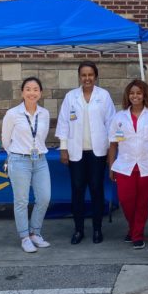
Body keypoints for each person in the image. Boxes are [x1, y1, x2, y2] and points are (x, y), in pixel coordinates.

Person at [56, 61, 116, 245]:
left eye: (90, 75)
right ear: (79, 77)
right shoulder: (70, 97)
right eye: (84, 75)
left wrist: (111, 152)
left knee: (97, 190)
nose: (87, 78)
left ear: (95, 76)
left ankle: (97, 229)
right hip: (76, 153)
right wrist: (64, 148)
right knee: (77, 191)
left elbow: (111, 123)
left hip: (98, 153)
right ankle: (79, 230)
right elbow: (64, 123)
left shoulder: (103, 96)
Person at [107, 80, 148, 250]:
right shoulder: (119, 117)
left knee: (142, 203)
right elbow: (113, 144)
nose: (135, 96)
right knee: (126, 200)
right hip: (124, 165)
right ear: (128, 95)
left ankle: (137, 235)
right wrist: (111, 166)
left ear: (144, 95)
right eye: (132, 93)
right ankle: (133, 228)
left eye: (139, 93)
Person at [1, 77, 51, 253]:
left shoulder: (44, 113)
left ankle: (35, 233)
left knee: (44, 198)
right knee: (21, 201)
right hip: (19, 160)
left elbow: (41, 137)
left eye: (36, 89)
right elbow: (6, 140)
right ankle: (24, 237)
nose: (32, 92)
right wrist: (15, 154)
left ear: (40, 93)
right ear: (22, 92)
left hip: (40, 160)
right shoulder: (13, 114)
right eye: (28, 89)